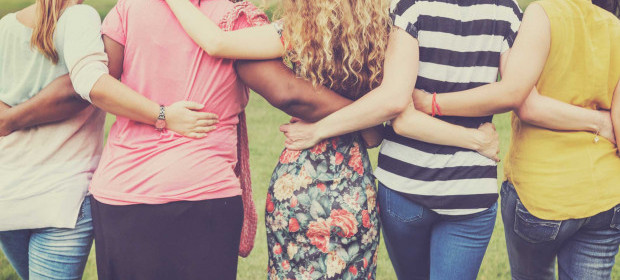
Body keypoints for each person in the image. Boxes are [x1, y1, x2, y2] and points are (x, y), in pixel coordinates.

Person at [279, 0, 618, 279]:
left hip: (404, 187)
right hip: (470, 192)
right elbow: (517, 93)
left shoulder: (411, 8)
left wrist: (319, 129)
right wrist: (475, 140)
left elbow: (400, 110)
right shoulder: (508, 12)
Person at [160, 0, 411, 278]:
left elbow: (216, 42)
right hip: (352, 186)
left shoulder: (301, 30)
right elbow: (375, 134)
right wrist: (366, 122)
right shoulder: (381, 34)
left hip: (299, 180)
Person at [0, 0, 216, 279]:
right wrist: (162, 114)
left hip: (9, 196)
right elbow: (87, 85)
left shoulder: (5, 26)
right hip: (61, 198)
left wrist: (10, 118)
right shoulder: (80, 17)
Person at [405, 0, 620, 278]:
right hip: (605, 199)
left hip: (541, 194)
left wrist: (431, 103)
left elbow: (524, 102)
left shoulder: (543, 14)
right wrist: (599, 121)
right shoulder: (615, 28)